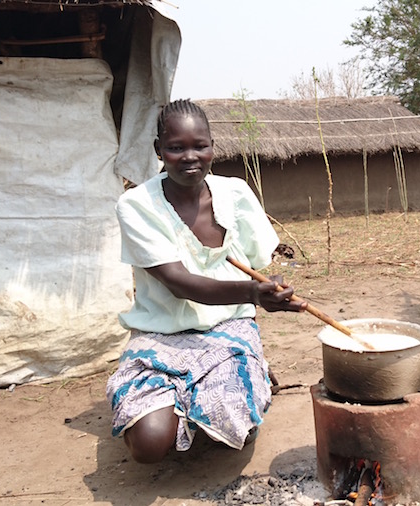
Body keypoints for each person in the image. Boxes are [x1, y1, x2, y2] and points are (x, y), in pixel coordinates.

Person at [106, 99, 307, 464]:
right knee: (149, 445)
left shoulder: (235, 194)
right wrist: (253, 293)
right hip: (162, 334)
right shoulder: (136, 205)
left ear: (213, 146)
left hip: (227, 327)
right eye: (176, 147)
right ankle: (184, 399)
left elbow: (257, 266)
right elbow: (179, 283)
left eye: (200, 145)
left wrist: (270, 287)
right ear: (158, 151)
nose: (189, 156)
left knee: (231, 436)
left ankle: (243, 368)